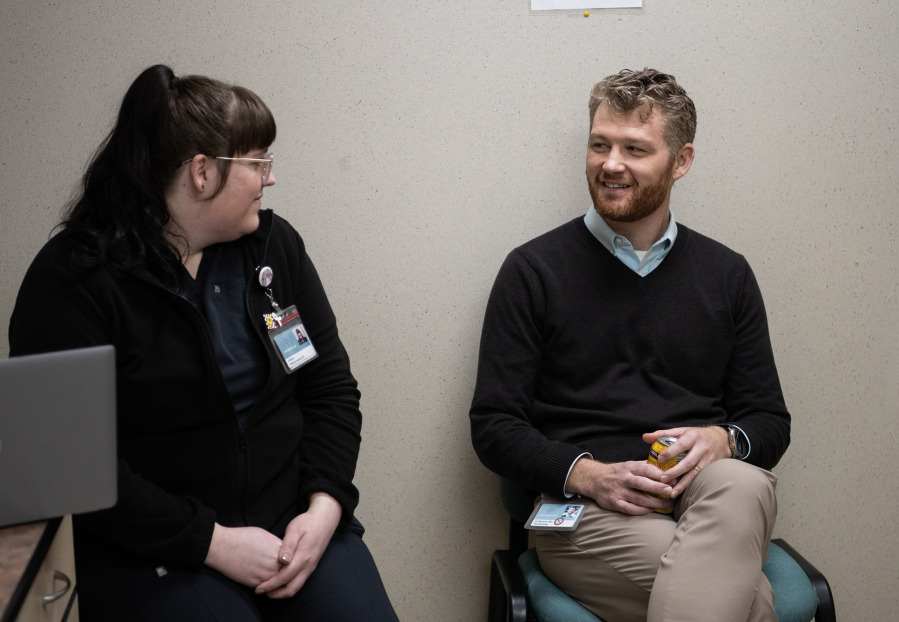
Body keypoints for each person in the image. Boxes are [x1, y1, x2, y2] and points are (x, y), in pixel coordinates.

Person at [8, 64, 398, 622]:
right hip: (152, 549)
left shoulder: (273, 249)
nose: (269, 179)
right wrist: (214, 542)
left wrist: (324, 506)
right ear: (202, 172)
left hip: (291, 523)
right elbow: (66, 467)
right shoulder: (74, 280)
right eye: (258, 163)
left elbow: (329, 389)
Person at [469, 68, 790, 622]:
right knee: (752, 601)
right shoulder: (533, 271)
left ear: (681, 162)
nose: (610, 164)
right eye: (600, 145)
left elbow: (768, 420)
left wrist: (723, 439)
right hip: (587, 509)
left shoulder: (727, 274)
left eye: (634, 149)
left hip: (707, 498)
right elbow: (494, 425)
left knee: (743, 481)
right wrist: (587, 474)